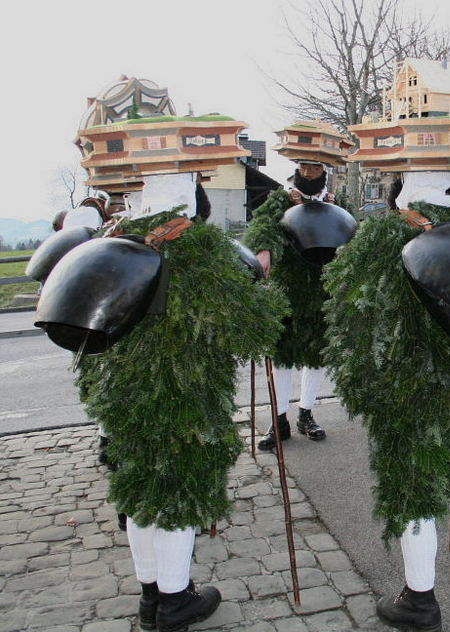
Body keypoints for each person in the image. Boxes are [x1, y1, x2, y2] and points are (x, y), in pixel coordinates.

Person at [75, 172, 288, 630]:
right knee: (176, 492)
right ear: (191, 190)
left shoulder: (114, 237)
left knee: (139, 491)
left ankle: (150, 597)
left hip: (122, 395)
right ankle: (175, 602)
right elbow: (252, 332)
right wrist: (263, 297)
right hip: (186, 394)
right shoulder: (202, 249)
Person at [322, 171, 450, 632]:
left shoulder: (382, 234)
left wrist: (362, 388)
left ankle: (420, 599)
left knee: (412, 482)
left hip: (402, 386)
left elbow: (350, 320)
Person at [245, 159, 338, 450]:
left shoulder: (336, 202)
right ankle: (279, 420)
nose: (307, 173)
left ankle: (306, 414)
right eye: (303, 168)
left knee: (314, 357)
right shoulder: (280, 199)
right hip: (286, 289)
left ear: (325, 171)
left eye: (314, 168)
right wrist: (264, 250)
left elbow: (349, 232)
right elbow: (263, 226)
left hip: (322, 290)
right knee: (283, 358)